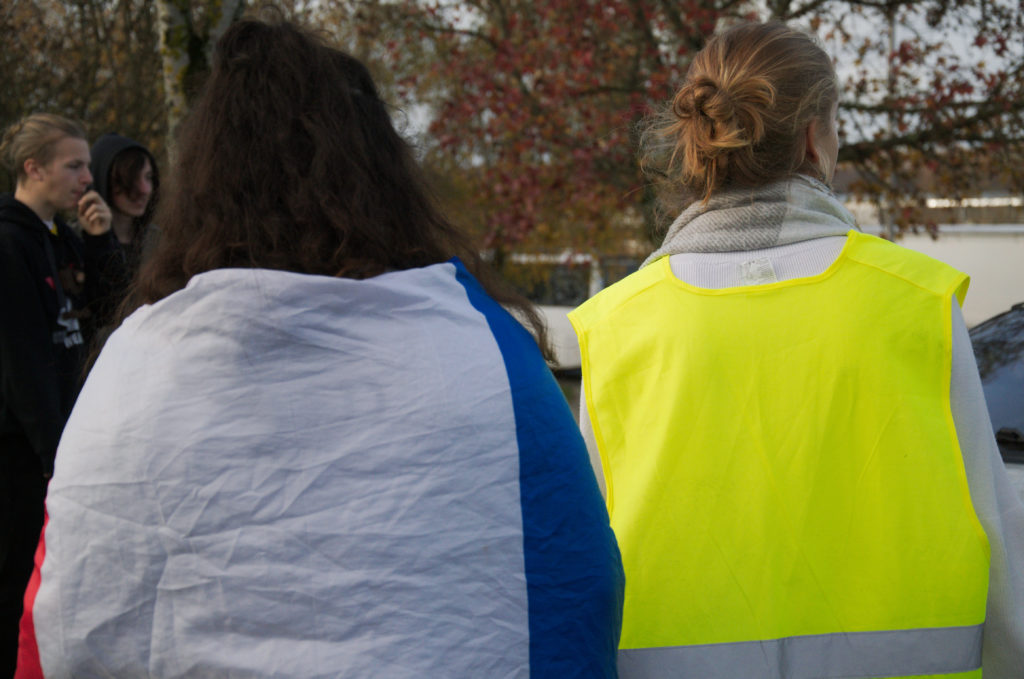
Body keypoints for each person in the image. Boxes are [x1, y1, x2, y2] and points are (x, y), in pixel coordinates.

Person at [18, 17, 623, 678]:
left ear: (205, 183)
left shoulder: (135, 366)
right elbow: (574, 589)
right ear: (382, 175)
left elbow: (68, 610)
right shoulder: (483, 351)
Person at [570, 21, 1024, 679]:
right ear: (815, 138)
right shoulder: (917, 303)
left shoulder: (614, 326)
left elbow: (587, 564)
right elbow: (998, 536)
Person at [0, 113, 111, 677]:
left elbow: (111, 307)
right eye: (74, 165)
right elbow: (22, 361)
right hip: (21, 453)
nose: (87, 178)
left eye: (88, 165)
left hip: (65, 436)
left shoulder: (61, 237)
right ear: (33, 167)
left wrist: (100, 241)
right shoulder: (8, 241)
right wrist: (52, 459)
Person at [81, 133, 158, 341]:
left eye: (149, 178)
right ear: (102, 179)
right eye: (129, 179)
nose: (144, 189)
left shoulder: (164, 243)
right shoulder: (73, 243)